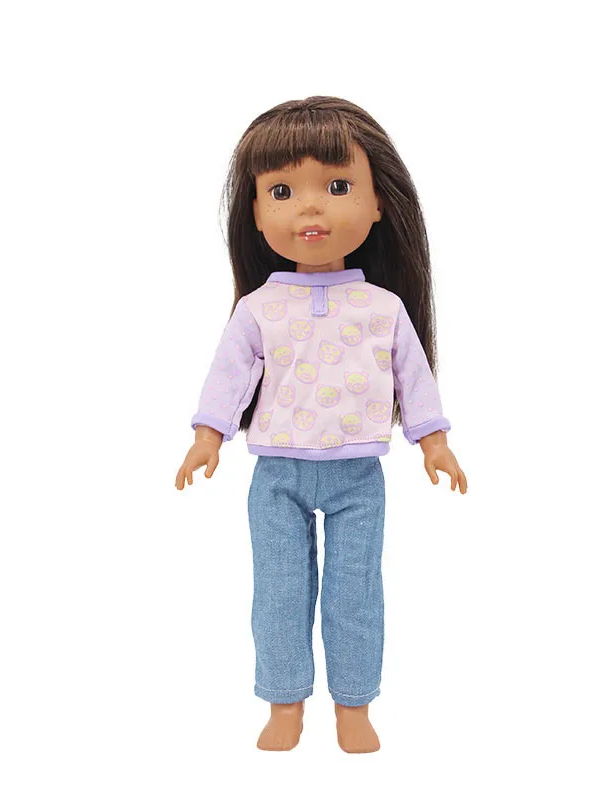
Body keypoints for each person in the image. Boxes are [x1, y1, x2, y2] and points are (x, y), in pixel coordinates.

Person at [175, 96, 467, 753]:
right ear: (256, 212)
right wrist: (207, 436)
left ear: (377, 203)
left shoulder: (383, 308)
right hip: (276, 474)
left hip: (358, 476)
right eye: (282, 191)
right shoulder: (258, 309)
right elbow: (228, 375)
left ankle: (353, 706)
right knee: (279, 594)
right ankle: (284, 703)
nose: (310, 209)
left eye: (337, 187)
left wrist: (434, 442)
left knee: (354, 594)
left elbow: (414, 377)